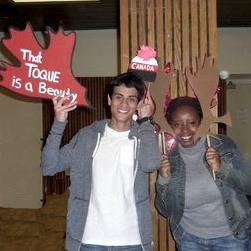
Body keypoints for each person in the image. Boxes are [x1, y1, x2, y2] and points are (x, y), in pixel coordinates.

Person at [41, 72, 161, 251]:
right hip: (89, 240)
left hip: (132, 241)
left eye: (131, 99)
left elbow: (151, 164)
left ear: (137, 104)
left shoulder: (143, 136)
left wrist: (146, 121)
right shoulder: (87, 136)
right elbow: (49, 167)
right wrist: (59, 123)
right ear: (109, 100)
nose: (124, 104)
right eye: (119, 97)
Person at [155, 96, 251, 251]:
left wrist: (221, 168)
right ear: (170, 127)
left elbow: (248, 185)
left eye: (191, 123)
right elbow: (164, 210)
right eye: (177, 124)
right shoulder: (170, 159)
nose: (185, 130)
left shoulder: (224, 146)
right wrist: (163, 179)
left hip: (231, 238)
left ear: (201, 121)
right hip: (190, 240)